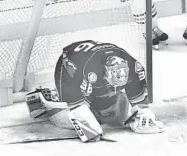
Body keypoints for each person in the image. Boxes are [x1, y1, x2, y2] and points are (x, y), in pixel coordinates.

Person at [25, 40, 164, 142]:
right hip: (70, 67)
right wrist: (85, 123)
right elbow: (76, 104)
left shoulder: (135, 67)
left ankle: (93, 107)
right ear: (105, 73)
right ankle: (45, 100)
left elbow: (140, 103)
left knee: (118, 116)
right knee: (79, 124)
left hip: (92, 65)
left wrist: (144, 113)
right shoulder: (91, 71)